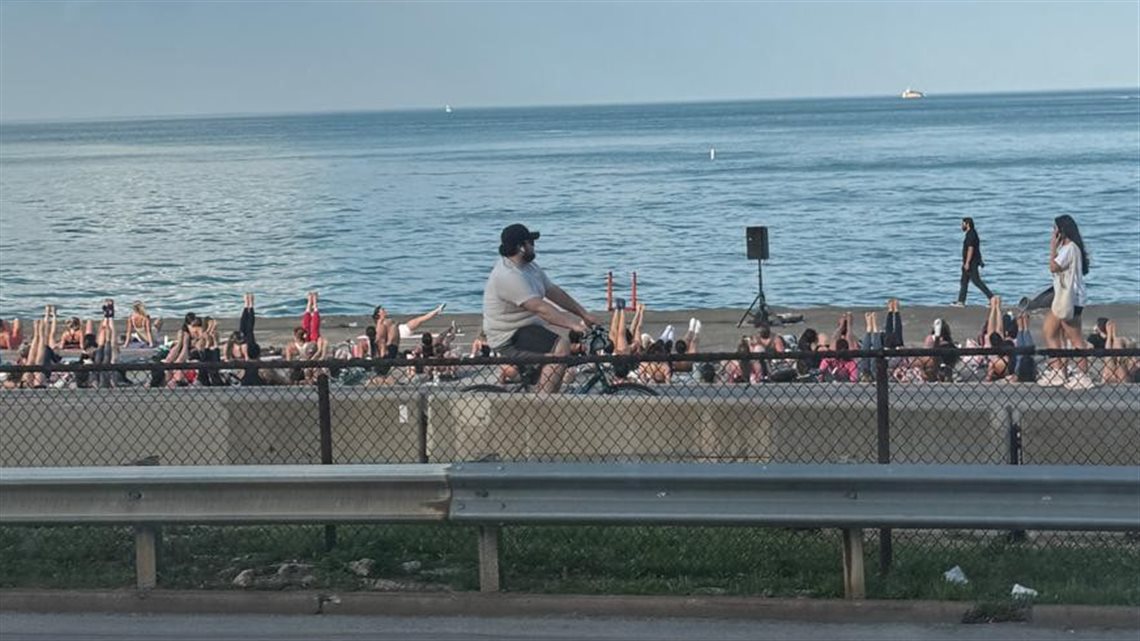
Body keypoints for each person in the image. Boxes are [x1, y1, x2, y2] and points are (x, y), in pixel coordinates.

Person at [482, 223, 596, 393]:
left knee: (559, 340)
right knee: (561, 345)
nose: (534, 246)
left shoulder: (530, 267)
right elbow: (541, 309)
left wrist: (583, 314)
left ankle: (547, 392)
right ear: (521, 247)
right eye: (531, 242)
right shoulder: (508, 276)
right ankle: (542, 403)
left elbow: (553, 291)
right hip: (508, 336)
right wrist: (574, 325)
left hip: (527, 328)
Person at [1038, 214, 1093, 389]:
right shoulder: (1069, 248)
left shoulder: (1070, 248)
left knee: (1074, 338)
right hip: (1064, 298)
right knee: (1050, 331)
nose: (1053, 233)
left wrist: (1052, 247)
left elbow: (1053, 267)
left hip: (1071, 299)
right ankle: (1058, 371)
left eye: (1055, 229)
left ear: (1061, 231)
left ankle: (1083, 375)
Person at [953, 217, 994, 307]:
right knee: (964, 281)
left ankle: (992, 298)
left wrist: (967, 262)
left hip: (971, 263)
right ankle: (961, 301)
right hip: (968, 262)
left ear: (967, 224)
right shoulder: (971, 233)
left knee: (977, 281)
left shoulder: (971, 234)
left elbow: (971, 249)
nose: (961, 226)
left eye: (963, 224)